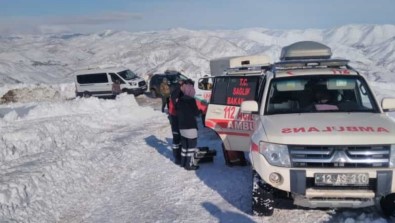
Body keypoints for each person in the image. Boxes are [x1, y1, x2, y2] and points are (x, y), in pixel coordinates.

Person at [176, 79, 200, 170]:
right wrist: (200, 111)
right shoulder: (191, 100)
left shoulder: (180, 100)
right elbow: (196, 113)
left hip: (181, 126)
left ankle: (183, 162)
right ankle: (188, 165)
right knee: (191, 146)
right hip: (190, 126)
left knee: (185, 146)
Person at [168, 80, 183, 164]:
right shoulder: (176, 93)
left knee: (177, 137)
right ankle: (177, 157)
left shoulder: (176, 91)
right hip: (174, 117)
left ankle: (178, 155)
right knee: (177, 137)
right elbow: (176, 105)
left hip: (174, 116)